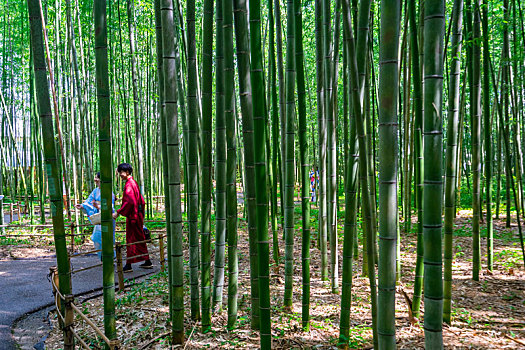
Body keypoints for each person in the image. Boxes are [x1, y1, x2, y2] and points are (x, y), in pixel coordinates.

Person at [112, 163, 152, 272]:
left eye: (121, 172)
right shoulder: (133, 183)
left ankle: (129, 265)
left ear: (128, 172)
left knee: (131, 239)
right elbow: (141, 202)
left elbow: (130, 202)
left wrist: (118, 212)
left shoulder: (130, 184)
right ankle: (147, 261)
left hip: (133, 217)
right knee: (139, 238)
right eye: (119, 172)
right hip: (136, 215)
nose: (120, 174)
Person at [75, 172, 115, 260]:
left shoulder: (109, 191)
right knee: (96, 238)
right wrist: (82, 206)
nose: (95, 179)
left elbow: (110, 206)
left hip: (107, 218)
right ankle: (103, 257)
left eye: (97, 178)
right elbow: (89, 202)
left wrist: (99, 206)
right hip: (99, 218)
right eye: (95, 177)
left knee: (108, 239)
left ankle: (112, 258)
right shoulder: (95, 191)